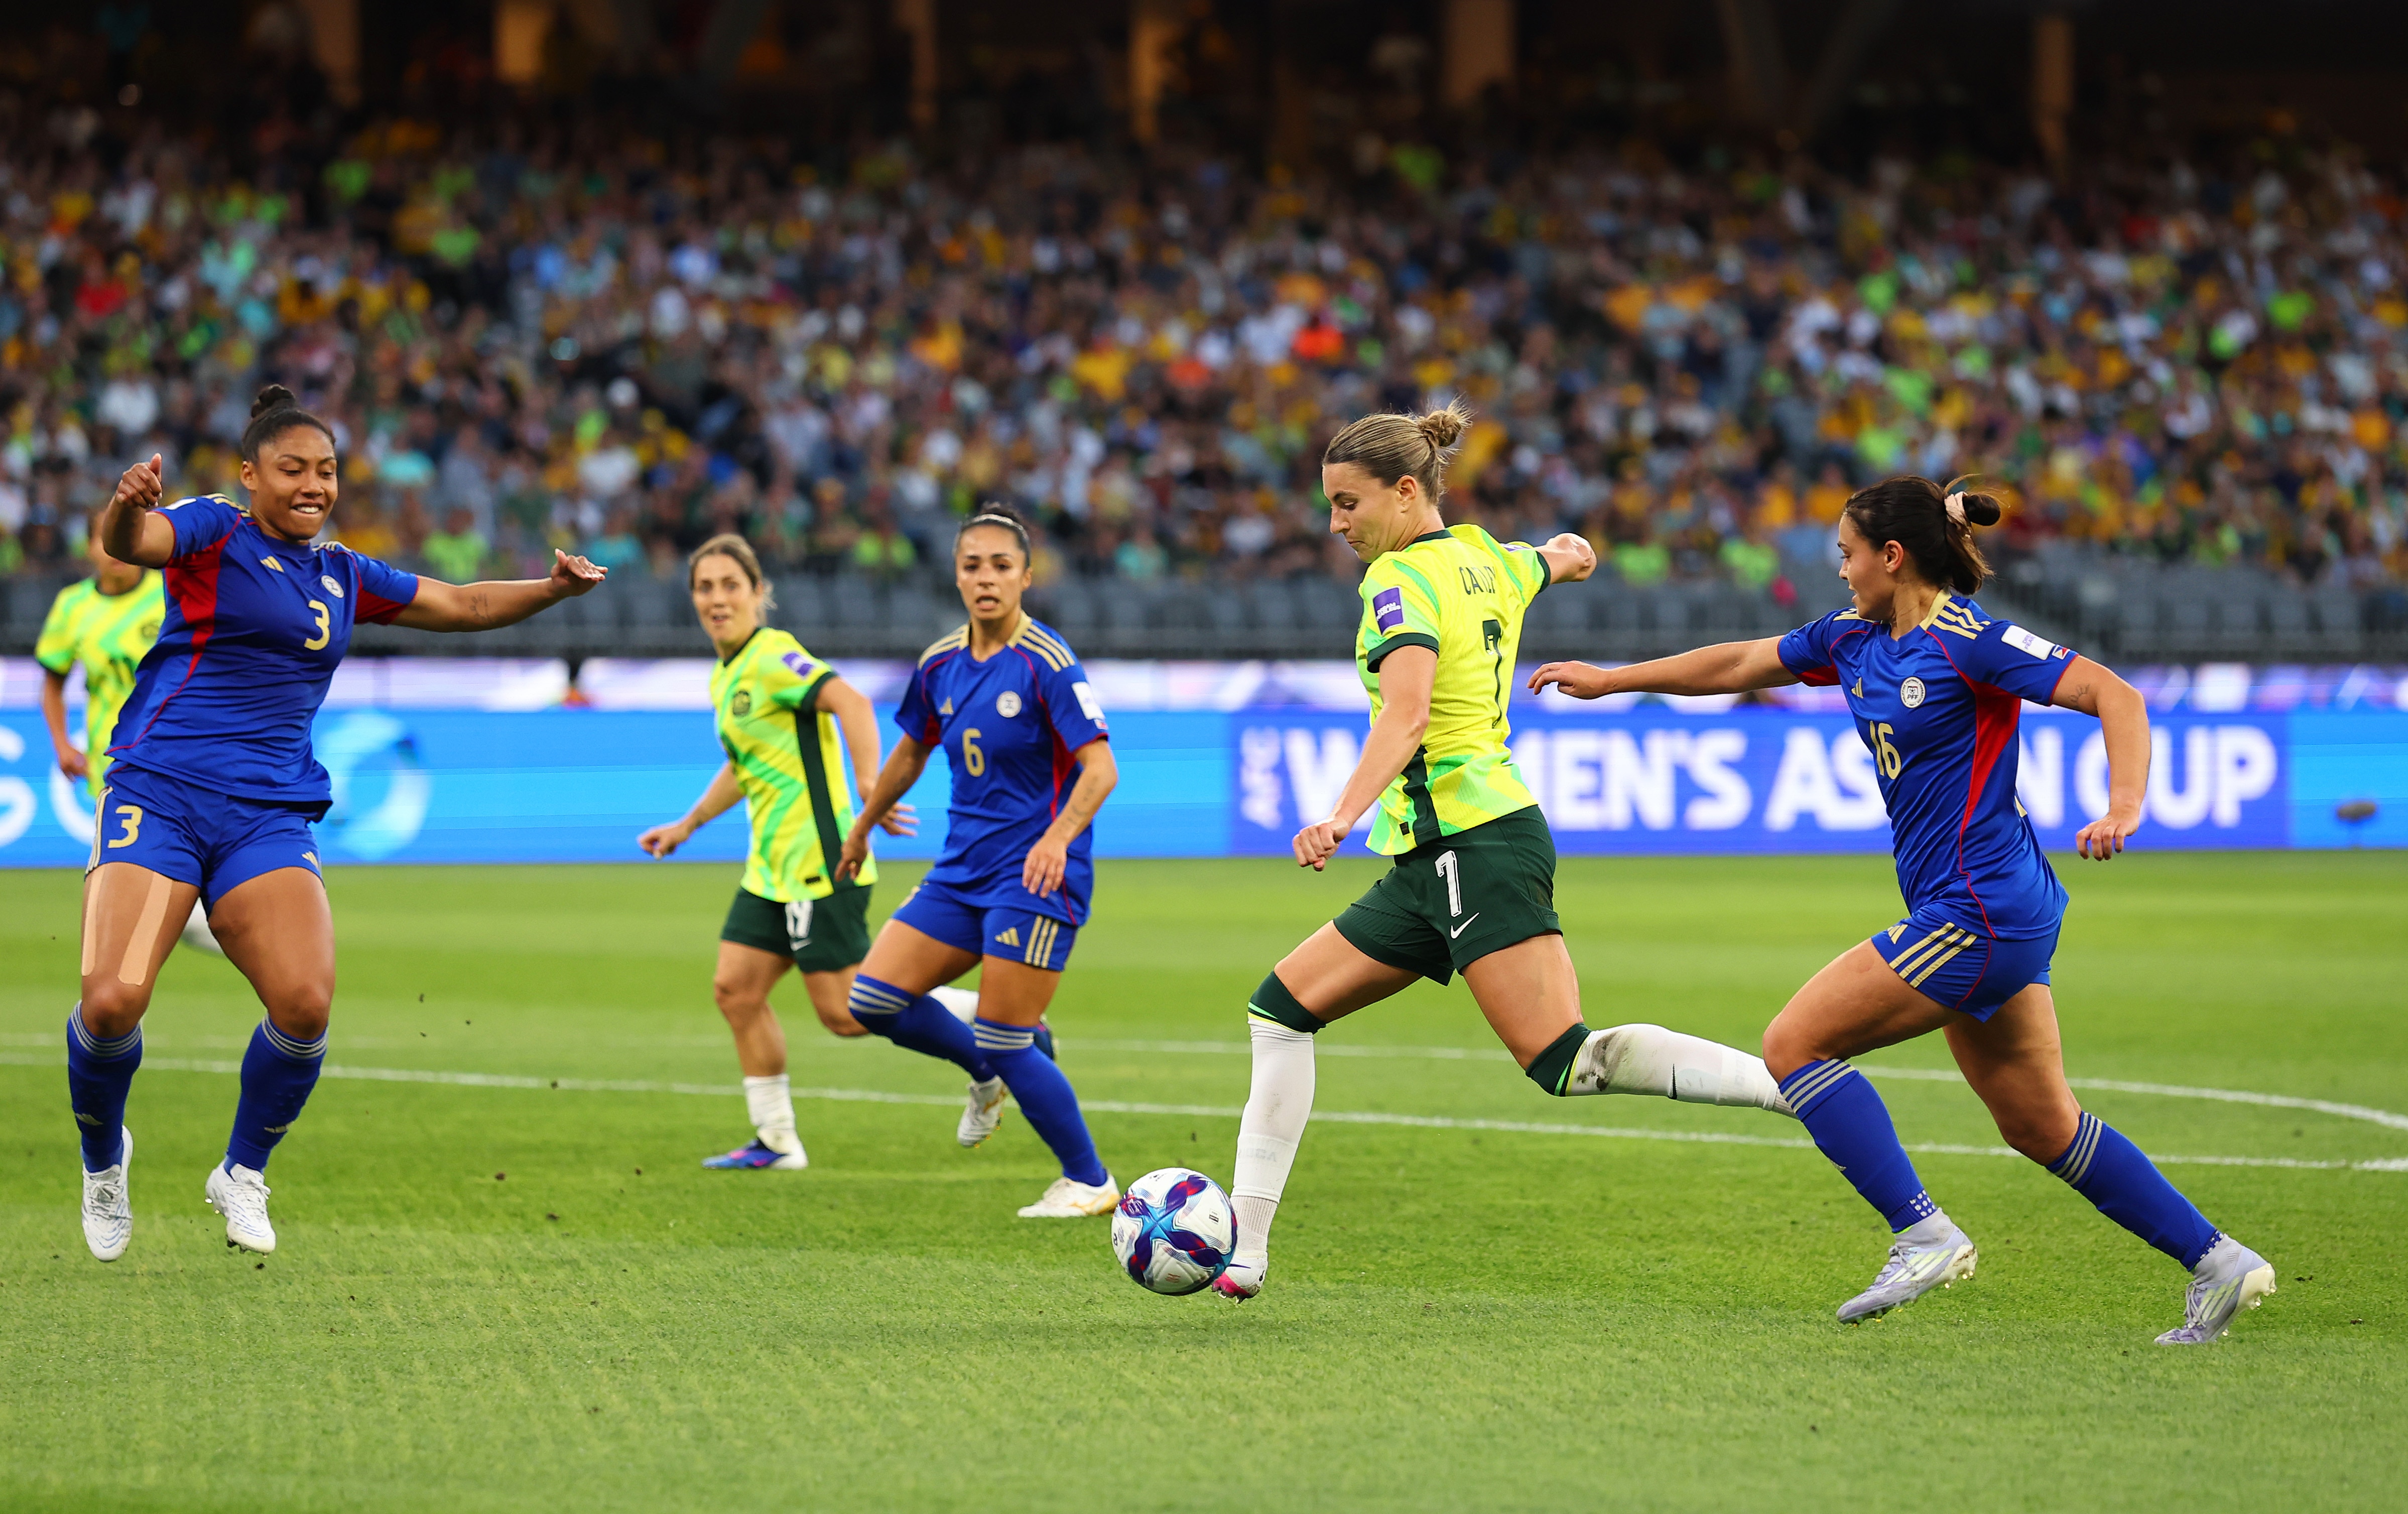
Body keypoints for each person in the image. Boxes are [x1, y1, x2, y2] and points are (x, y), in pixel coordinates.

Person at [1529, 475, 2276, 1345]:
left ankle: (1922, 1232)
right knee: (2040, 1123)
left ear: (1892, 556)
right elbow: (1739, 662)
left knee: (1793, 1044)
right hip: (1991, 905)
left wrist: (2122, 805)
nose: (1839, 572)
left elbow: (2118, 695)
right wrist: (1612, 680)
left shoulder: (1973, 642)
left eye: (1847, 554)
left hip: (1980, 908)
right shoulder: (1851, 639)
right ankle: (2218, 1262)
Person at [1215, 403, 1794, 1301]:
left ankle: (1790, 1087)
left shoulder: (1397, 585)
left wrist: (1336, 814)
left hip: (1472, 842)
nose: (1335, 525)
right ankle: (1244, 1249)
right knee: (1279, 1009)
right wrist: (1568, 555)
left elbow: (1406, 716)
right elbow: (1561, 554)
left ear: (1406, 493)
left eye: (1347, 504)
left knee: (1566, 1059)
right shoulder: (1489, 558)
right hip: (1431, 856)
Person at [67, 384, 606, 1263]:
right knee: (113, 1000)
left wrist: (551, 589)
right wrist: (126, 512)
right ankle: (103, 1162)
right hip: (159, 791)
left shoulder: (344, 574)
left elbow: (464, 606)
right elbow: (137, 542)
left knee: (305, 1005)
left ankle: (241, 1172)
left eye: (326, 470)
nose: (314, 484)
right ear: (251, 476)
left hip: (269, 814)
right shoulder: (213, 528)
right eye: (293, 469)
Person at [637, 533, 976, 1170]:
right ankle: (776, 1140)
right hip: (770, 870)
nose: (717, 598)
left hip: (820, 862)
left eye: (730, 586)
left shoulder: (772, 655)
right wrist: (688, 825)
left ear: (759, 594)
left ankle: (1000, 1024)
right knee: (736, 990)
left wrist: (872, 783)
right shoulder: (726, 674)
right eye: (705, 587)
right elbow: (746, 764)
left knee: (848, 1014)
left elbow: (848, 699)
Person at [834, 506, 1122, 1217]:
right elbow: (909, 752)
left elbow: (1101, 769)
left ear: (1026, 576)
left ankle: (1088, 1181)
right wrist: (863, 824)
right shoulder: (939, 664)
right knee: (872, 1001)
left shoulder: (1048, 663)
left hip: (1033, 877)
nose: (986, 578)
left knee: (1005, 1031)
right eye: (972, 566)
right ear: (956, 576)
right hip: (960, 872)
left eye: (1000, 565)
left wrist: (1057, 839)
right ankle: (984, 1075)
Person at [36, 518, 220, 954]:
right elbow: (52, 681)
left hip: (180, 754)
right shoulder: (73, 605)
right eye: (104, 542)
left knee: (183, 881)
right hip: (115, 763)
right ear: (91, 549)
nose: (115, 554)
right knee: (132, 887)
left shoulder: (167, 593)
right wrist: (62, 743)